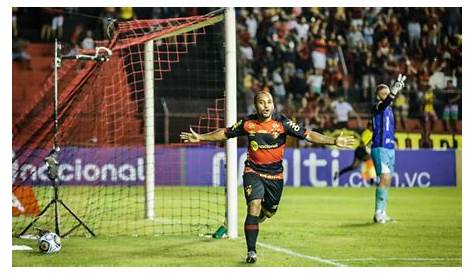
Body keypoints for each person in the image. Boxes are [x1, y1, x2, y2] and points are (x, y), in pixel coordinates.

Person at [180, 91, 355, 263]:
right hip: (253, 172)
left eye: (269, 102)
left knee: (269, 212)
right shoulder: (248, 123)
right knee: (253, 206)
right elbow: (224, 133)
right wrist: (201, 137)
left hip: (275, 176)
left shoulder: (282, 123)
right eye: (262, 102)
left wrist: (333, 141)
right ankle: (251, 251)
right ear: (255, 106)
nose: (266, 106)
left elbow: (308, 135)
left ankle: (261, 217)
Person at [371, 74, 406, 224]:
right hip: (380, 148)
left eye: (388, 93)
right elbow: (385, 103)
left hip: (390, 148)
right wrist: (393, 92)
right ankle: (378, 213)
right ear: (378, 96)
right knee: (384, 178)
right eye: (383, 94)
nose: (386, 96)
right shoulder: (378, 106)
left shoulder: (390, 111)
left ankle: (383, 212)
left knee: (387, 180)